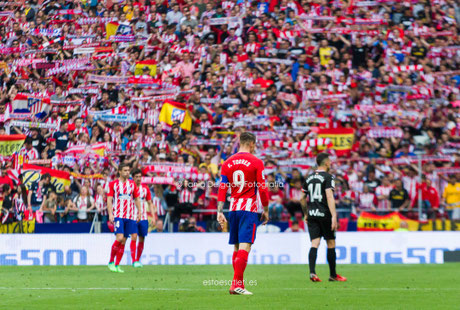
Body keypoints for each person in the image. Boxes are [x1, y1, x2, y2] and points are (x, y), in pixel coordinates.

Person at [217, 132, 269, 295]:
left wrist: (219, 210)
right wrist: (266, 209)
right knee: (245, 246)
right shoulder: (256, 162)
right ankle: (237, 285)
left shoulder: (227, 162)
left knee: (237, 247)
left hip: (233, 208)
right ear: (252, 144)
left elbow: (222, 187)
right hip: (248, 209)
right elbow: (262, 187)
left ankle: (237, 283)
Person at [301, 153, 347, 282]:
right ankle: (333, 275)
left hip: (312, 214)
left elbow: (301, 198)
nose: (331, 163)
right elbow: (329, 196)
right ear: (326, 163)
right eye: (330, 161)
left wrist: (305, 214)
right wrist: (334, 216)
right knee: (331, 243)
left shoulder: (309, 178)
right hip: (325, 214)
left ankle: (312, 273)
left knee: (314, 243)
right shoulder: (328, 177)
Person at [107, 164, 142, 273]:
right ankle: (111, 262)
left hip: (130, 216)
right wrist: (110, 214)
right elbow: (109, 200)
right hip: (118, 215)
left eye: (128, 170)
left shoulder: (132, 184)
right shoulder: (113, 184)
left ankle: (117, 265)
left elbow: (136, 199)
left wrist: (139, 212)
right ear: (119, 171)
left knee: (124, 241)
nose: (127, 172)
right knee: (119, 237)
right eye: (125, 170)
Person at [131, 170, 156, 268]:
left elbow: (150, 203)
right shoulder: (129, 188)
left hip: (144, 218)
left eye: (139, 176)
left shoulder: (145, 188)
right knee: (133, 237)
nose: (138, 178)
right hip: (132, 216)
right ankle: (133, 261)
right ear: (133, 177)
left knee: (142, 239)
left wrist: (153, 217)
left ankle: (137, 260)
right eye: (136, 176)